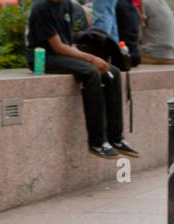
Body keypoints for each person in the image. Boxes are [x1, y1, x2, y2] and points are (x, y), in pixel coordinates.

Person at [26, 0, 138, 159]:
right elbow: (57, 46)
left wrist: (92, 59)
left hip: (63, 54)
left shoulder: (68, 6)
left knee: (111, 71)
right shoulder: (41, 7)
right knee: (91, 73)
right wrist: (91, 59)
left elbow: (69, 44)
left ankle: (116, 138)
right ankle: (97, 142)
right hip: (45, 57)